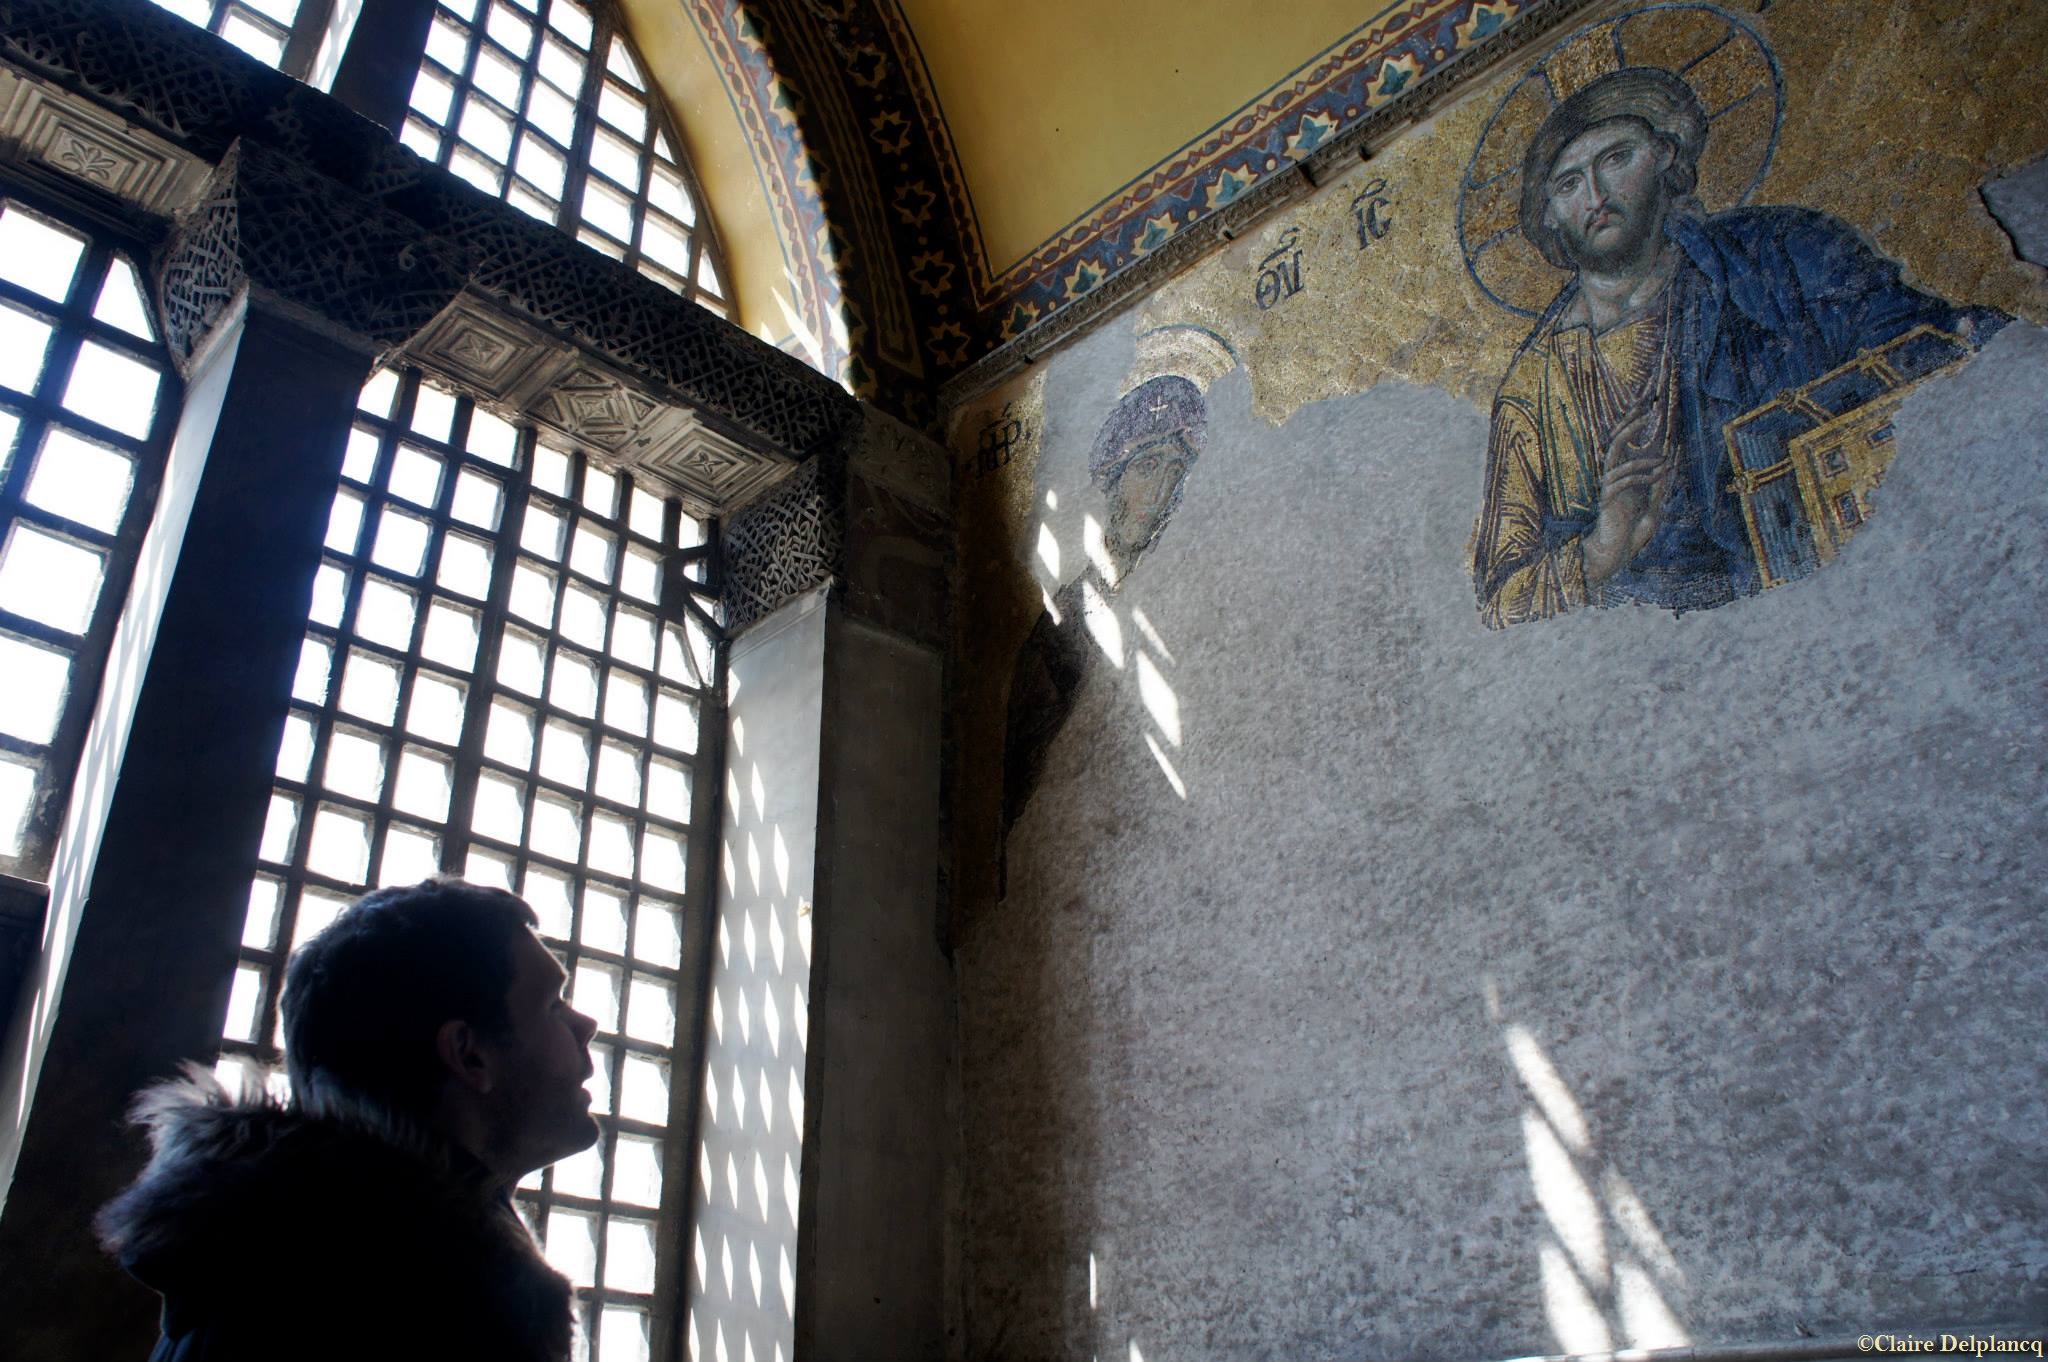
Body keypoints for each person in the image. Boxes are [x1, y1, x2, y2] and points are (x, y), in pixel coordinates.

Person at [1471, 66, 2003, 628]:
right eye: (1569, 183)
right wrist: (1604, 549)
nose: (1596, 196)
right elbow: (1500, 601)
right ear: (1549, 214)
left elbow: (1945, 348)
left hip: (1872, 596)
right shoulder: (1534, 392)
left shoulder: (1781, 256)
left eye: (1616, 158)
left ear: (1665, 156)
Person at [96, 878, 601, 1361]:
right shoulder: (403, 1311)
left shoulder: (286, 1265)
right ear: (469, 1056)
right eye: (554, 1005)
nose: (587, 1024)